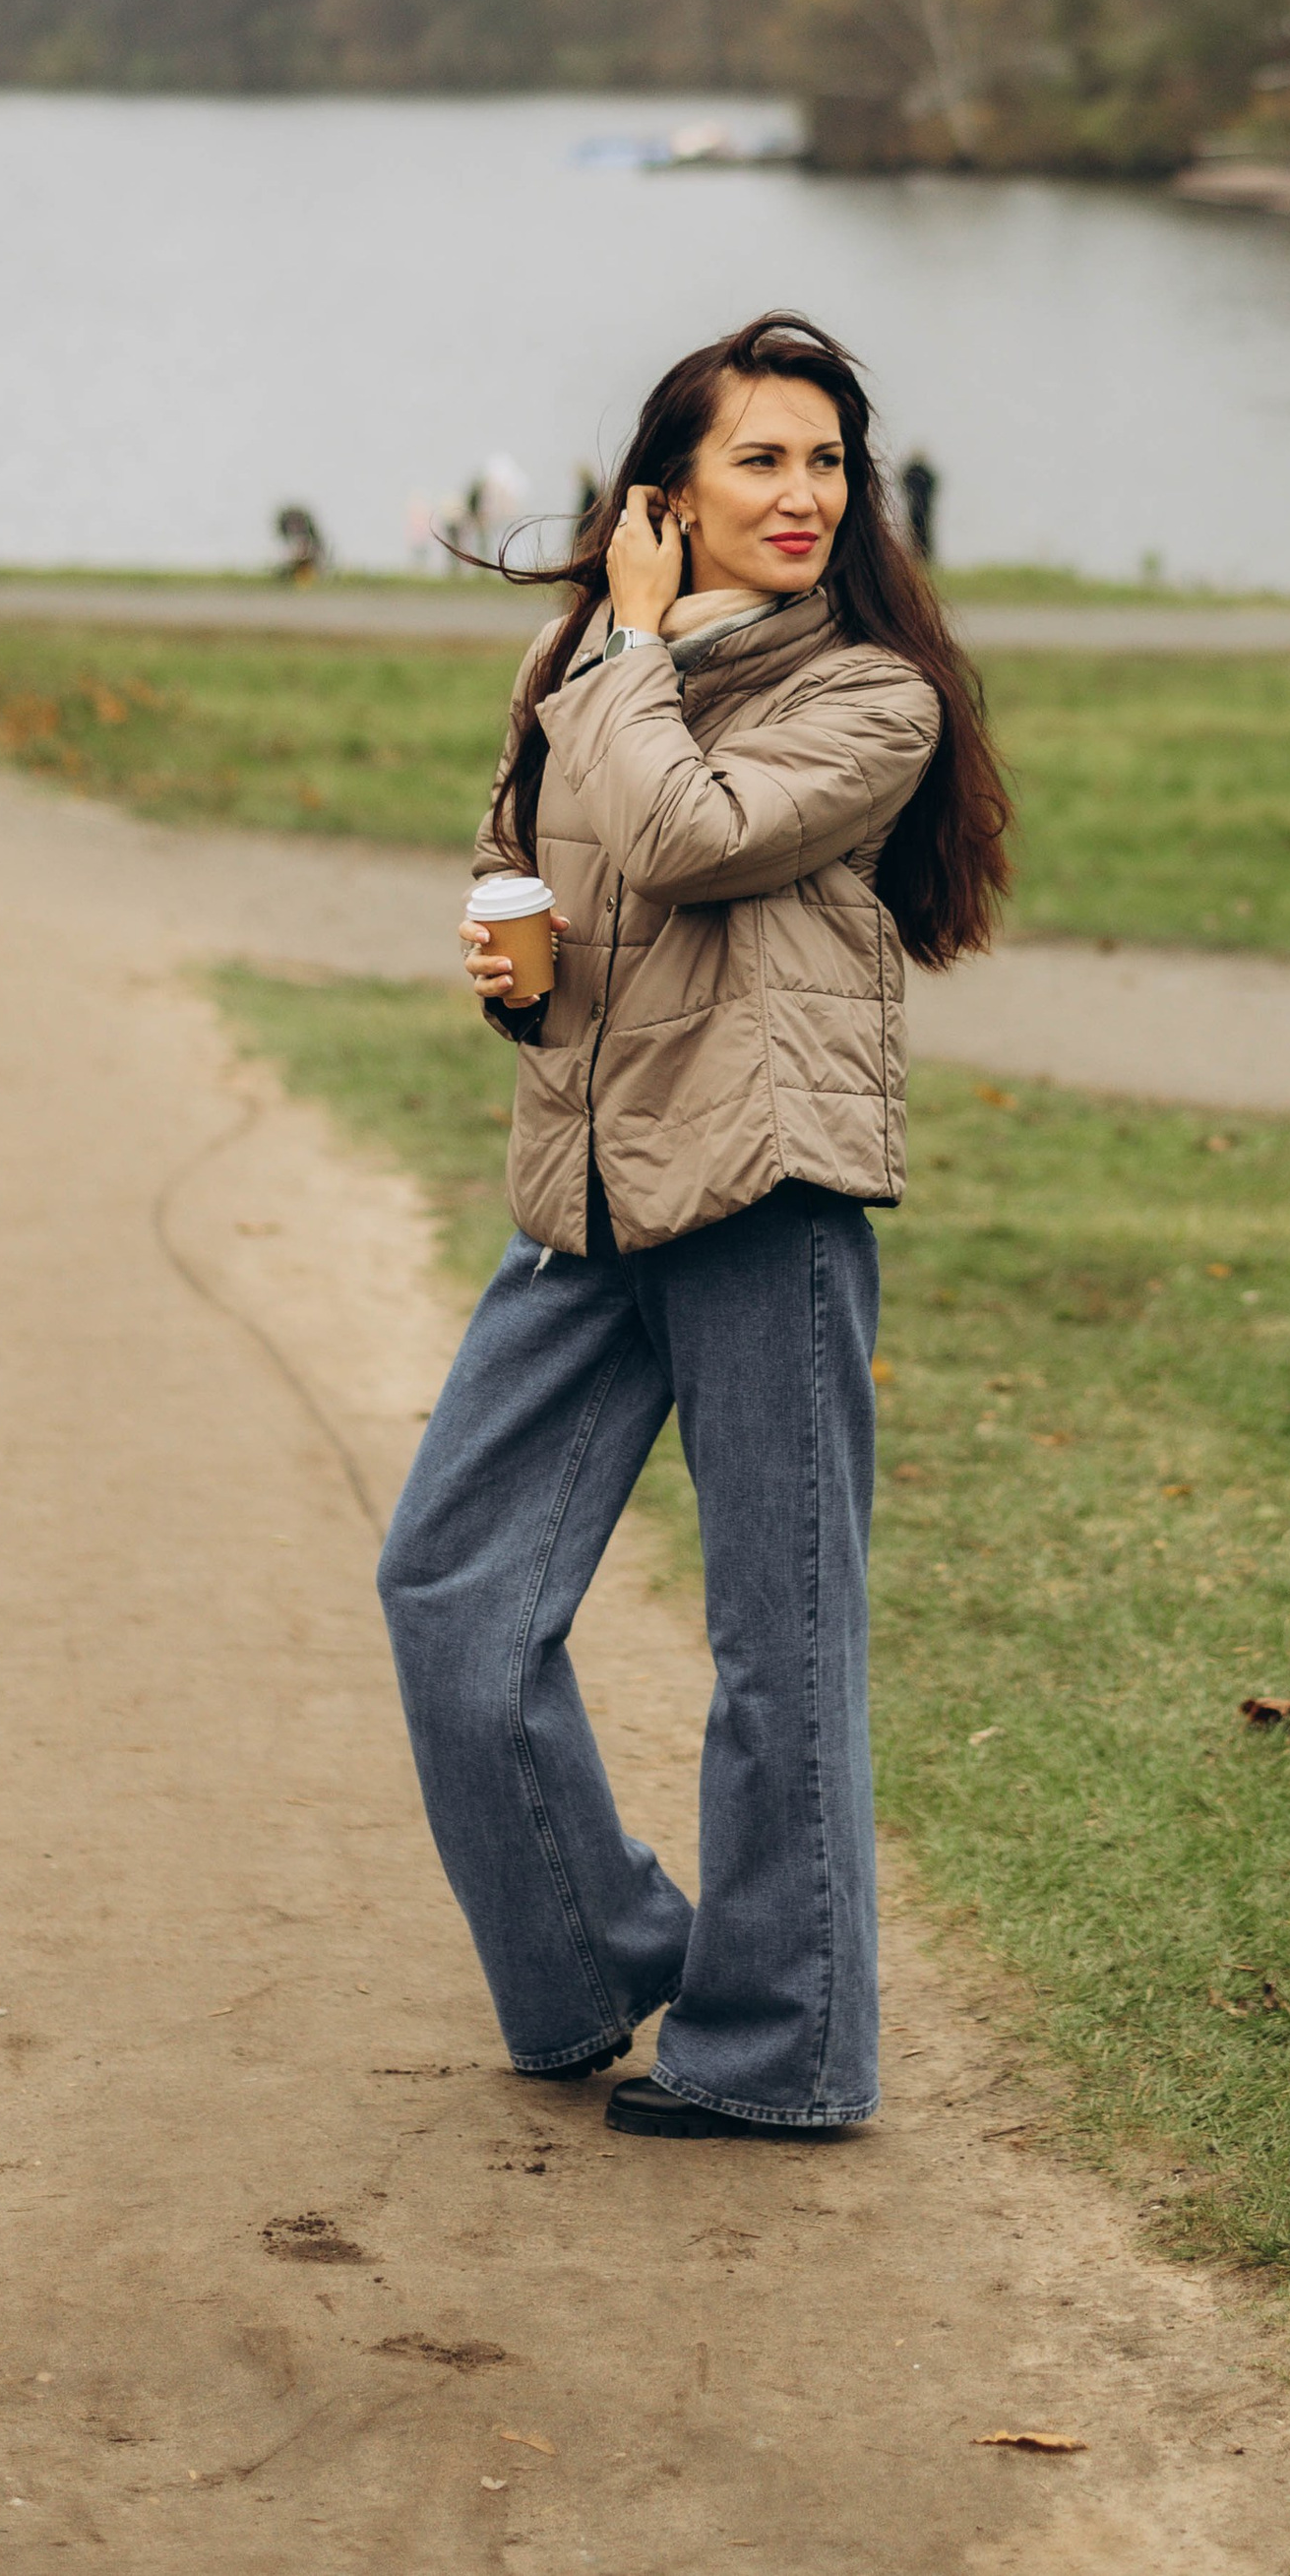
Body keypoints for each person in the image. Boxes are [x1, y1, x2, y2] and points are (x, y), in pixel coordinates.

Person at [376, 310, 1012, 2141]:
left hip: (762, 1194)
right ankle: (591, 1960)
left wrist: (634, 646)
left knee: (780, 1641)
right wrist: (507, 959)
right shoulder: (584, 657)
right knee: (449, 1590)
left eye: (827, 463)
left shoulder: (870, 699)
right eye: (763, 459)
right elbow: (544, 862)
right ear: (671, 490)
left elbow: (681, 836)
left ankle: (785, 2055)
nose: (804, 495)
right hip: (585, 1195)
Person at [900, 453, 938, 561]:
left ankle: (924, 556)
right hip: (918, 507)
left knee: (922, 532)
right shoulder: (920, 472)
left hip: (921, 507)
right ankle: (919, 556)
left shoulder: (916, 471)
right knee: (917, 532)